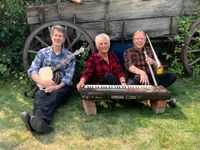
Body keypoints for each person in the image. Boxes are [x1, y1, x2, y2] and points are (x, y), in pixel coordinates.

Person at [20, 25, 76, 134]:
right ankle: (39, 122)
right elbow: (32, 70)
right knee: (40, 95)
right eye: (55, 35)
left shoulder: (70, 56)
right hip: (44, 84)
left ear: (64, 39)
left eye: (60, 36)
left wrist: (56, 87)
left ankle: (37, 121)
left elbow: (68, 78)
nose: (58, 38)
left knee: (54, 96)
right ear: (51, 37)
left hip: (62, 87)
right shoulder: (42, 53)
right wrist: (42, 82)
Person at [123, 30, 177, 105]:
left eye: (142, 39)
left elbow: (159, 69)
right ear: (133, 40)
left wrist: (153, 62)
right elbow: (129, 66)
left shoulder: (149, 50)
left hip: (150, 77)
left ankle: (150, 92)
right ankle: (153, 93)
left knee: (172, 76)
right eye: (137, 38)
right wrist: (141, 72)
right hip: (137, 78)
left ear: (145, 40)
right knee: (131, 84)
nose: (139, 41)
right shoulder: (128, 52)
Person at [77, 33, 126, 107]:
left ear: (109, 45)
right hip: (100, 87)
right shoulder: (93, 58)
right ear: (97, 46)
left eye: (106, 43)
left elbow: (119, 71)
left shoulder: (113, 56)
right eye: (101, 44)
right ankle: (124, 98)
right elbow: (87, 72)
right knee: (109, 76)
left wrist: (123, 83)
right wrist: (81, 81)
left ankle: (118, 98)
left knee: (117, 79)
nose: (104, 46)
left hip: (114, 86)